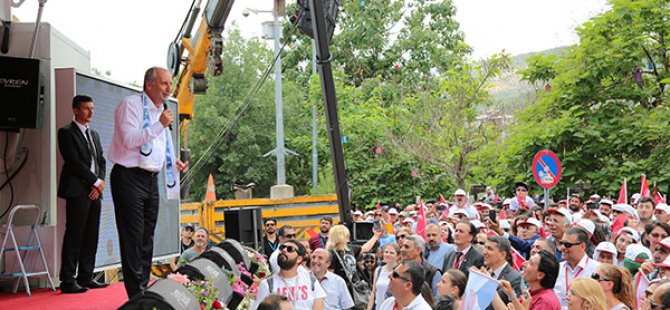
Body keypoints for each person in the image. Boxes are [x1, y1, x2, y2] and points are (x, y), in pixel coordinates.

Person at [108, 67, 188, 298]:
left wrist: (173, 163)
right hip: (128, 177)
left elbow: (160, 145)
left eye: (169, 84)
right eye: (164, 84)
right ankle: (136, 293)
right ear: (149, 84)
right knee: (132, 236)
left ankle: (142, 285)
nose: (169, 89)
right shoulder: (130, 105)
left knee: (146, 236)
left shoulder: (161, 109)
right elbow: (130, 139)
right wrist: (159, 125)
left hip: (151, 179)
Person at [57, 94, 108, 294]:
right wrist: (94, 181)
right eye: (86, 108)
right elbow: (73, 162)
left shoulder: (93, 134)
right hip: (77, 191)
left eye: (92, 108)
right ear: (76, 110)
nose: (91, 112)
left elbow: (101, 160)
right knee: (74, 235)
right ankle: (68, 280)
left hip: (95, 192)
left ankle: (86, 277)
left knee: (91, 236)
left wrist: (99, 184)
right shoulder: (66, 133)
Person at [254, 240, 326, 310]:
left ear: (299, 259)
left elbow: (319, 305)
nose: (284, 250)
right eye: (282, 247)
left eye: (290, 249)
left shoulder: (310, 280)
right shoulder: (267, 284)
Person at [554, 228, 600, 308]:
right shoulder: (557, 268)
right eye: (562, 243)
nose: (563, 247)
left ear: (582, 246)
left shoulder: (596, 269)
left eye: (568, 245)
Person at [482, 236, 522, 308]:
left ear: (502, 255)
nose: (484, 252)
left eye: (489, 249)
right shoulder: (485, 271)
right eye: (485, 247)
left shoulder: (513, 277)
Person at [401, 234, 441, 299]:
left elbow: (436, 300)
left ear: (418, 250)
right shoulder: (398, 269)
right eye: (402, 246)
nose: (402, 249)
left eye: (406, 247)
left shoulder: (432, 273)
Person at [368, 243, 401, 310]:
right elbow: (373, 292)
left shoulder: (400, 272)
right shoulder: (378, 270)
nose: (388, 255)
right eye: (386, 252)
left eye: (391, 253)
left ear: (398, 256)